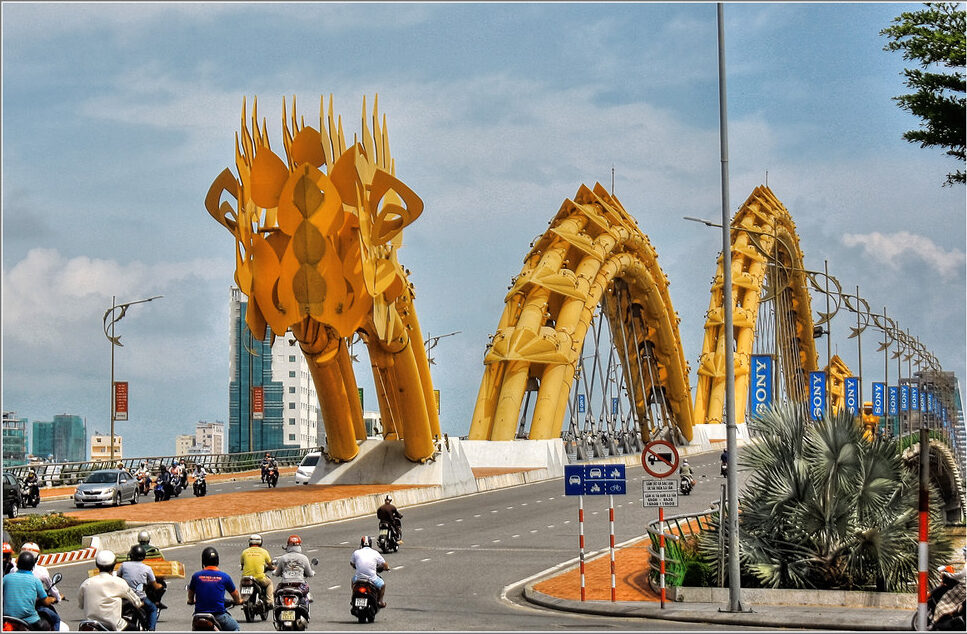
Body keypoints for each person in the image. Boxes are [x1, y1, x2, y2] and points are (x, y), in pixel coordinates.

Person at [79, 549, 143, 631]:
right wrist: (141, 604)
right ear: (114, 565)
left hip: (90, 624)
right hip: (114, 625)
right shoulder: (119, 582)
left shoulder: (86, 583)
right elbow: (136, 602)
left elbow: (81, 604)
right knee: (134, 629)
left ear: (97, 565)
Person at [187, 546, 241, 631]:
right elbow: (235, 593)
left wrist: (190, 601)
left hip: (198, 616)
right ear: (217, 561)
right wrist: (238, 601)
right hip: (218, 616)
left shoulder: (196, 576)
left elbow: (190, 593)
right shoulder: (224, 576)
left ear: (203, 561)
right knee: (236, 627)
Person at [2, 550, 57, 630]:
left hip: (7, 618)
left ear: (17, 564)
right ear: (32, 566)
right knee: (48, 625)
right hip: (29, 620)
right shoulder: (35, 580)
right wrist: (52, 599)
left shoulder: (6, 578)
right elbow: (45, 601)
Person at [15, 543, 62, 630]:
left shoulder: (11, 572)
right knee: (56, 620)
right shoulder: (40, 574)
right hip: (33, 608)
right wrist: (57, 598)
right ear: (35, 559)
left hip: (13, 608)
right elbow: (48, 595)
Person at [118, 545, 162, 630]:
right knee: (153, 609)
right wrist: (160, 586)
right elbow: (155, 585)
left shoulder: (124, 565)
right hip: (140, 598)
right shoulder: (147, 568)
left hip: (126, 597)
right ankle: (151, 629)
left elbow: (118, 577)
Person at [351, 536, 389, 608]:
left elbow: (352, 563)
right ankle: (380, 601)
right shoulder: (375, 553)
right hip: (372, 579)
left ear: (361, 544)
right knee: (383, 585)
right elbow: (385, 564)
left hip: (359, 578)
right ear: (371, 544)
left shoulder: (356, 552)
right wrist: (387, 568)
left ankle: (353, 598)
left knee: (353, 582)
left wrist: (355, 566)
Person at [273, 535, 314, 600]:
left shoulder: (283, 558)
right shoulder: (304, 558)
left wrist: (274, 572)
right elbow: (310, 573)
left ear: (288, 545)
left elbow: (277, 573)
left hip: (285, 584)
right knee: (307, 596)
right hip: (299, 584)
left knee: (276, 594)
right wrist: (313, 573)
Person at [239, 534, 274, 603]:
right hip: (260, 578)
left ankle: (242, 599)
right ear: (260, 542)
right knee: (269, 583)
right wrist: (272, 567)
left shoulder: (245, 552)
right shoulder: (264, 552)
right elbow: (270, 565)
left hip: (246, 578)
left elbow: (242, 564)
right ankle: (269, 601)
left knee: (241, 584)